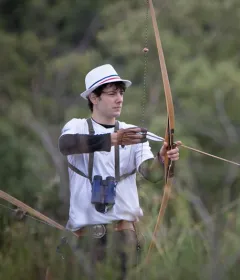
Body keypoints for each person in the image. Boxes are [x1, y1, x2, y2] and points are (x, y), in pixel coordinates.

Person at [58, 64, 181, 279]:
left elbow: (151, 174)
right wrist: (113, 139)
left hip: (123, 239)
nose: (119, 99)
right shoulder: (76, 126)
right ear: (94, 98)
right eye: (112, 93)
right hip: (84, 242)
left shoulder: (131, 133)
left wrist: (164, 158)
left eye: (121, 93)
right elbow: (66, 145)